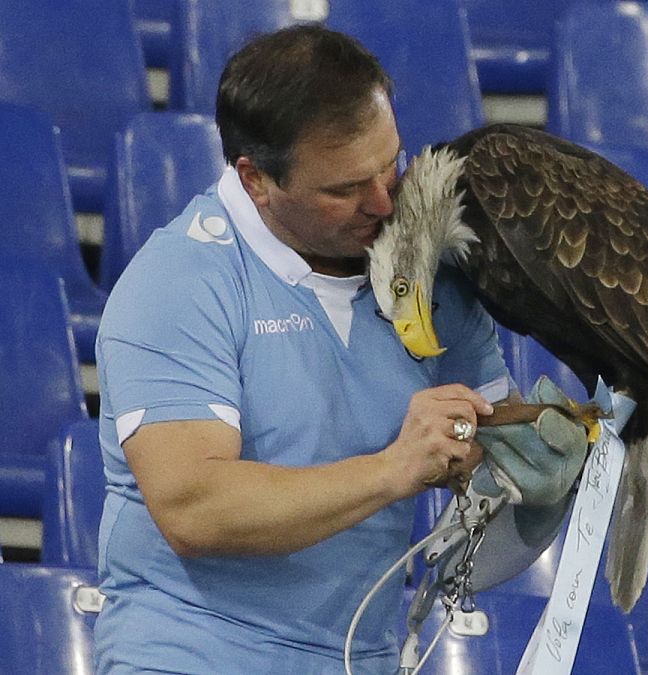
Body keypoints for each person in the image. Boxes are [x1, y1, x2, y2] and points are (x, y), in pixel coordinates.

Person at [93, 25, 512, 673]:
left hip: (358, 656)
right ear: (257, 180)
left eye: (390, 165)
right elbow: (193, 507)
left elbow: (495, 442)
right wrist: (393, 467)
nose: (383, 200)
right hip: (190, 652)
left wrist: (567, 440)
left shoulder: (426, 270)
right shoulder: (179, 280)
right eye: (345, 188)